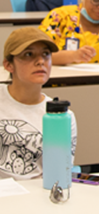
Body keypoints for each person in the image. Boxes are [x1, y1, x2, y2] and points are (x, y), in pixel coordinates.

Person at [0, 28, 76, 180]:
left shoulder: (61, 117)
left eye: (45, 54)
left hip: (34, 194)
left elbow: (57, 174)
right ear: (9, 65)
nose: (40, 61)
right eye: (28, 54)